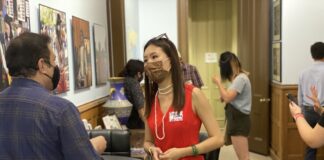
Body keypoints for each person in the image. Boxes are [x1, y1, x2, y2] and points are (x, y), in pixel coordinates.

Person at [0, 32, 106, 159]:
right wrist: (94, 147)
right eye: (54, 60)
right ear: (42, 65)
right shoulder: (61, 110)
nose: (56, 66)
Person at [143, 33, 223, 160]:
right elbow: (147, 141)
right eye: (145, 60)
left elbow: (218, 139)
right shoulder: (150, 100)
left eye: (154, 57)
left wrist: (183, 152)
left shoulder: (194, 94)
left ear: (171, 60)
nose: (149, 63)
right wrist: (151, 149)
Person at [212, 51, 251, 160]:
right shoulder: (236, 79)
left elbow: (228, 97)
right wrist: (224, 95)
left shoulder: (240, 79)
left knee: (243, 157)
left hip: (239, 120)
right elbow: (228, 96)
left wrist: (219, 83)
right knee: (242, 156)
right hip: (236, 119)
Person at [297, 42, 324, 160]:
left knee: (310, 146)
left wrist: (301, 112)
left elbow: (300, 96)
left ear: (312, 55)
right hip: (322, 112)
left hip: (307, 111)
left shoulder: (303, 73)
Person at [118, 59, 145, 129]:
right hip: (134, 124)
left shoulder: (120, 81)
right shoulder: (134, 83)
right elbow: (141, 108)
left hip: (120, 123)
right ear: (139, 74)